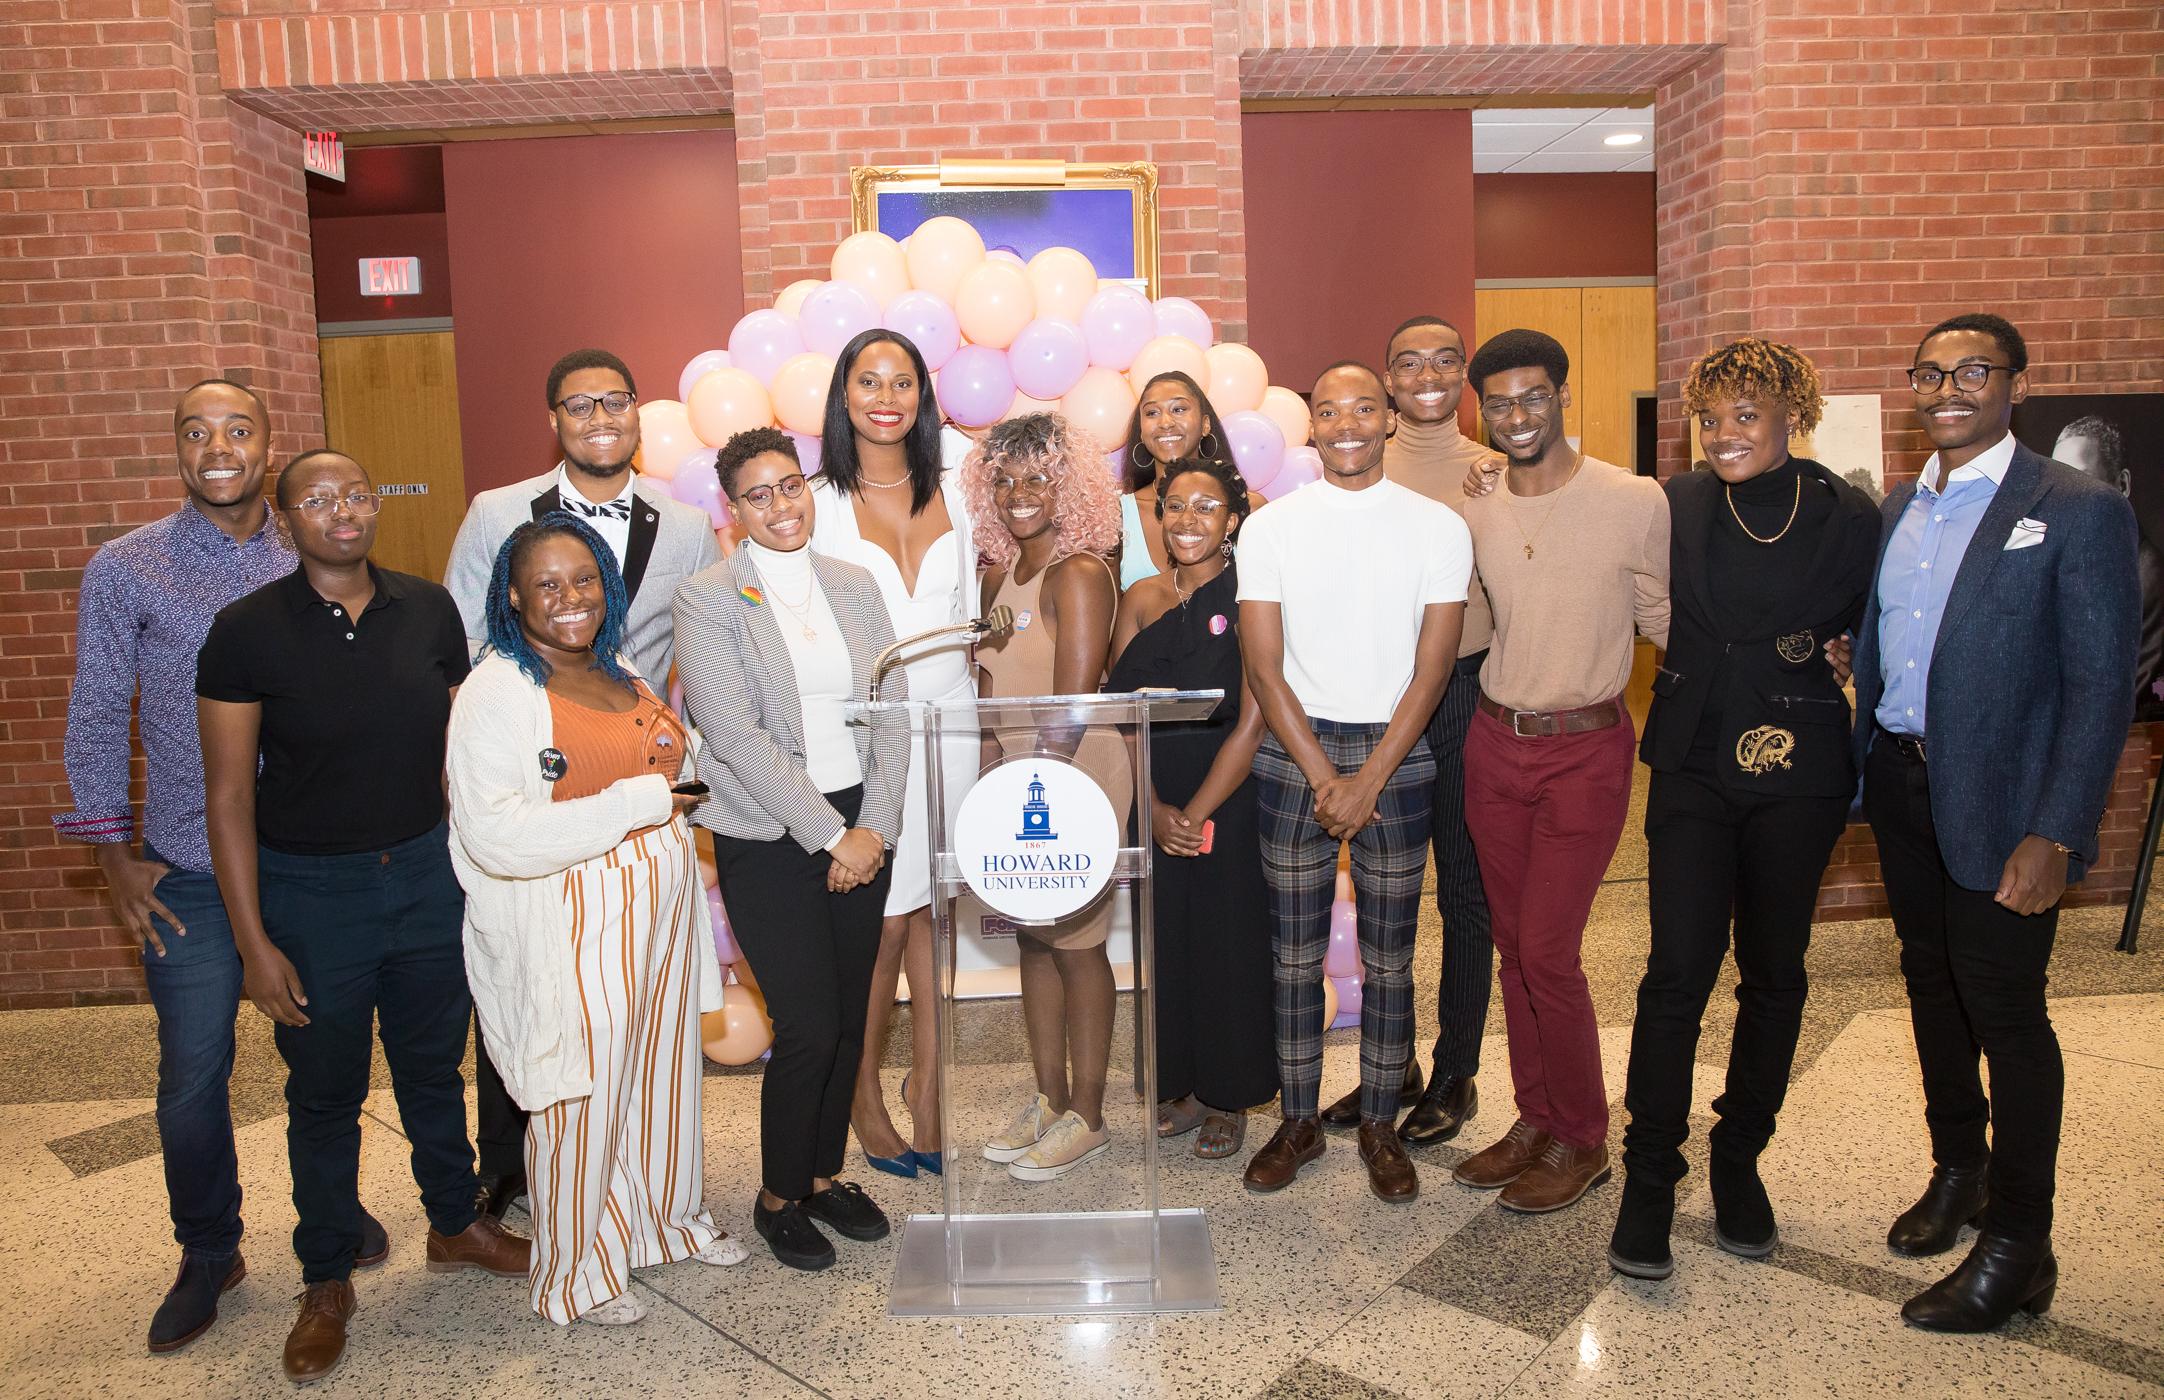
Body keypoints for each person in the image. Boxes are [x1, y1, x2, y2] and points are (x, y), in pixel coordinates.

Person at [196, 450, 528, 1384]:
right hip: (311, 893)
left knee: (435, 1070)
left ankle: (456, 1224)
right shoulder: (245, 631)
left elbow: (462, 761)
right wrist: (254, 943)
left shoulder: (428, 611)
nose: (341, 511)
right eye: (316, 499)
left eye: (355, 494)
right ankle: (326, 1275)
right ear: (285, 515)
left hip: (426, 877)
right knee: (325, 1094)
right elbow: (228, 798)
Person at [1851, 313, 2136, 1331]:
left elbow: (2100, 684)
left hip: (2009, 806)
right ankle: (1958, 1168)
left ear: (2017, 381)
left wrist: (2057, 827)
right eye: (1928, 371)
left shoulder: (2074, 508)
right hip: (1901, 786)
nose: (1946, 387)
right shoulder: (1898, 508)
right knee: (1930, 984)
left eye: (1971, 369)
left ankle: (2020, 1238)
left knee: (2007, 1012)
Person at [55, 380, 331, 1355]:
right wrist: (113, 858)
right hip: (187, 865)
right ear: (179, 448)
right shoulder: (126, 568)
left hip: (309, 859)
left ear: (268, 447)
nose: (217, 445)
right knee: (190, 1076)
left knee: (322, 1058)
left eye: (238, 429)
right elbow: (95, 711)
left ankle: (328, 1230)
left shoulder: (314, 549)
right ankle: (210, 1247)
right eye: (196, 431)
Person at [1606, 339, 1880, 1281]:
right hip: (1690, 765)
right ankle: (1650, 1181)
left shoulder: (1849, 514)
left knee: (1774, 972)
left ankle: (1739, 1160)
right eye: (1710, 418)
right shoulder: (1671, 503)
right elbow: (1581, 505)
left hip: (1797, 766)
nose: (1724, 435)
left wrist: (1854, 659)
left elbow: (1883, 629)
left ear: (1791, 415)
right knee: (1676, 971)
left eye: (1746, 416)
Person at [447, 511, 747, 1327]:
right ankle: (575, 1270)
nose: (569, 597)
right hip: (573, 914)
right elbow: (496, 833)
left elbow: (674, 764)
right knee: (582, 1093)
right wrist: (641, 801)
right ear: (512, 597)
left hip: (659, 905)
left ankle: (664, 1224)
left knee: (660, 1079)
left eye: (584, 580)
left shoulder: (620, 668)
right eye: (546, 583)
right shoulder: (497, 690)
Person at [444, 348, 721, 1220]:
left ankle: (627, 1177)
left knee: (624, 1005)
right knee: (534, 990)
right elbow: (462, 637)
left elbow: (691, 648)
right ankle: (516, 1175)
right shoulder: (497, 511)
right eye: (579, 406)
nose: (600, 418)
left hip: (631, 762)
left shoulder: (681, 524)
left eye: (616, 402)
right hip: (535, 766)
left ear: (638, 412)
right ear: (553, 420)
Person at [673, 429, 908, 1272]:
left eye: (791, 486)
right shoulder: (708, 598)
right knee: (807, 1024)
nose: (781, 506)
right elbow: (733, 735)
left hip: (860, 824)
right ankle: (777, 1197)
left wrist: (873, 827)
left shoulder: (853, 583)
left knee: (849, 1023)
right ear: (731, 511)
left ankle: (819, 1174)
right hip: (771, 836)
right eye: (758, 495)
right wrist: (831, 834)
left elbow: (893, 708)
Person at [1236, 363, 1469, 1206]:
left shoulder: (1438, 527)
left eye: (1362, 408)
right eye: (1326, 410)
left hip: (1396, 753)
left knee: (1389, 962)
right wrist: (1324, 773)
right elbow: (1263, 667)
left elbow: (1434, 667)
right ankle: (1298, 1120)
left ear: (1389, 417)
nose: (1345, 425)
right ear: (1311, 424)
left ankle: (1377, 1122)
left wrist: (1368, 778)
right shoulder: (1270, 528)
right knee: (1292, 960)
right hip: (1295, 752)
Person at [1451, 329, 1668, 1216]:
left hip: (1585, 748)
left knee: (1548, 949)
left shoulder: (1633, 497)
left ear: (1563, 395)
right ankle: (1535, 1117)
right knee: (1512, 947)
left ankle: (1583, 1137)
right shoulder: (1477, 502)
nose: (1517, 416)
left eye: (1533, 397)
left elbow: (1665, 615)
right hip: (1494, 742)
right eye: (1499, 403)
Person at [1327, 314, 1502, 1142]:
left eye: (1444, 361)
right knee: (1381, 892)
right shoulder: (1353, 460)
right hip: (1371, 697)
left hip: (1465, 693)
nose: (1426, 374)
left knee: (1465, 890)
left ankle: (1458, 1072)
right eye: (1407, 363)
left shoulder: (1499, 470)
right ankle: (1391, 1067)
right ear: (1386, 384)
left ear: (1462, 373)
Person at [809, 329, 977, 1180]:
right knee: (881, 919)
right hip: (870, 729)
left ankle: (933, 1089)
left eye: (902, 381)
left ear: (923, 394)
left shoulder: (962, 479)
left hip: (956, 719)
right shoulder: (816, 501)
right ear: (844, 395)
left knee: (937, 909)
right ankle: (864, 1093)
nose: (886, 396)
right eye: (868, 381)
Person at [965, 413, 1130, 1181]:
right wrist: (990, 780)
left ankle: (1089, 1117)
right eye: (1002, 479)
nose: (1017, 494)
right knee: (1033, 938)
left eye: (1037, 478)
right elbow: (991, 697)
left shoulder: (1082, 572)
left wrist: (1030, 790)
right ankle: (1049, 1098)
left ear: (1072, 488)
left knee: (1080, 942)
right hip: (1018, 777)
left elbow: (1073, 703)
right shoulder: (996, 575)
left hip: (1073, 772)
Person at [1107, 456, 1277, 1159]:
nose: (1187, 520)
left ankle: (1228, 1096)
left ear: (1233, 519)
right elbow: (1117, 712)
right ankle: (1174, 1084)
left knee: (1225, 944)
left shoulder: (1254, 599)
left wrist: (1197, 813)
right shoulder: (1141, 596)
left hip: (1225, 797)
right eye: (1174, 505)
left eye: (1206, 507)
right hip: (1149, 794)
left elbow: (1256, 720)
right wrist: (1150, 806)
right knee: (1165, 943)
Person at [2052, 415, 2164, 713]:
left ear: (2122, 484)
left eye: (2081, 480)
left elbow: (2128, 691)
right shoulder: (2064, 556)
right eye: (2058, 481)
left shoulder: (2149, 576)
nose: (2065, 496)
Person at [1118, 370, 1236, 588]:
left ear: (1205, 424)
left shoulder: (1248, 509)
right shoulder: (1116, 514)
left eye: (1179, 409)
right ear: (1141, 432)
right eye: (1152, 413)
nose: (1165, 422)